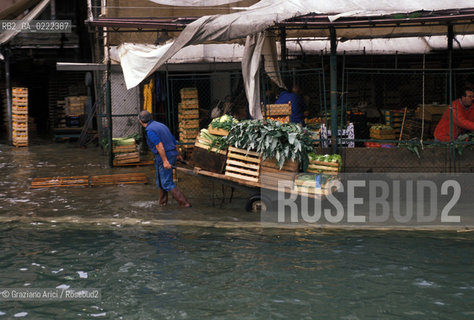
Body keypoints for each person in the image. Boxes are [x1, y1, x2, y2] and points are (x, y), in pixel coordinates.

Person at [138, 110, 191, 208]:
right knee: (161, 182)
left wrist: (165, 161)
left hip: (165, 156)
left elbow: (159, 145)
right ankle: (162, 203)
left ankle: (185, 204)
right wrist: (178, 154)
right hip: (168, 154)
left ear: (140, 121)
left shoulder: (150, 130)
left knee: (166, 182)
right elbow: (174, 140)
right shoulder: (161, 125)